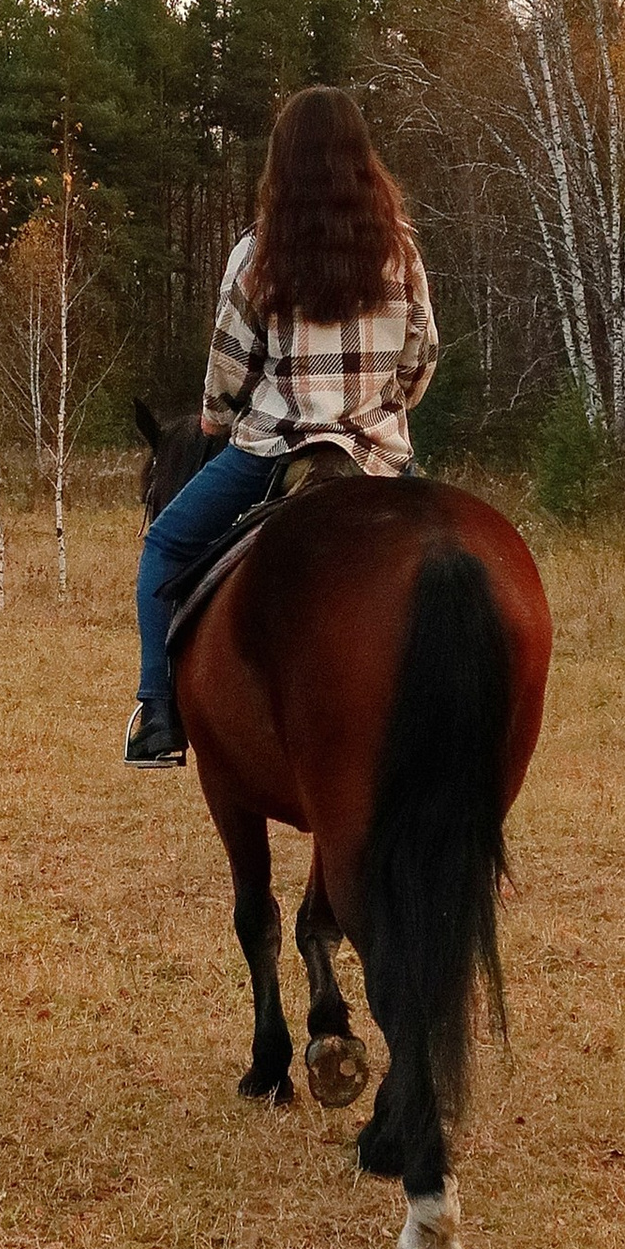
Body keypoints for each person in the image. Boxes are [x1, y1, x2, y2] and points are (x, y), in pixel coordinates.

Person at [126, 85, 439, 765]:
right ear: (363, 159)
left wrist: (213, 421)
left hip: (276, 448)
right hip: (378, 459)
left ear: (282, 162)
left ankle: (157, 715)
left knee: (165, 548)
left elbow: (227, 369)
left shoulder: (257, 254)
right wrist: (386, 407)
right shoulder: (402, 251)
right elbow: (421, 359)